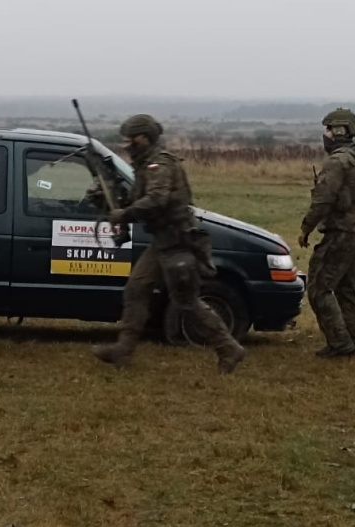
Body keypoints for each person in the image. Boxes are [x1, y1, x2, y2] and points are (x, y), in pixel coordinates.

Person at [87, 114, 246, 374]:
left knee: (187, 301)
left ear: (144, 138)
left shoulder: (159, 165)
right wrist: (107, 201)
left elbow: (156, 201)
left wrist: (124, 215)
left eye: (130, 139)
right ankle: (123, 350)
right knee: (136, 290)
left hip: (178, 243)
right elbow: (138, 200)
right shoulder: (145, 165)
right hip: (161, 243)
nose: (126, 145)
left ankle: (229, 348)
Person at [298, 108, 355, 357]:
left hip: (341, 233)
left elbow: (323, 200)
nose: (326, 134)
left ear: (339, 131)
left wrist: (306, 228)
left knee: (320, 287)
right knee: (348, 289)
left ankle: (340, 344)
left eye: (329, 129)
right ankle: (351, 341)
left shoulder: (337, 161)